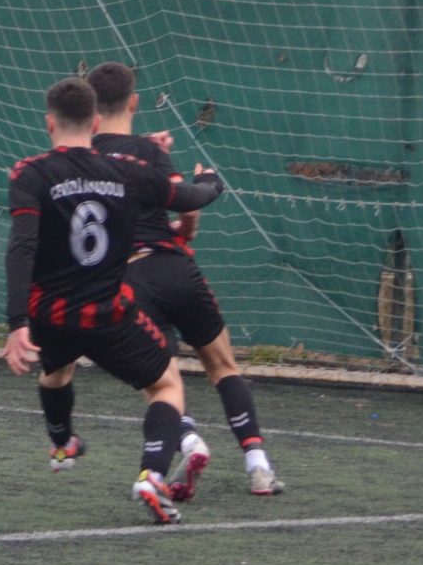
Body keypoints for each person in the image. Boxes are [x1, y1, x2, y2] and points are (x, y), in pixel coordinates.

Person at [5, 75, 225, 524]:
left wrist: (17, 323)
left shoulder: (30, 172)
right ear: (96, 123)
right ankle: (152, 475)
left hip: (50, 314)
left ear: (50, 123)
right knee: (167, 386)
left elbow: (22, 247)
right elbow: (193, 197)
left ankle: (62, 443)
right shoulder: (129, 172)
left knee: (55, 372)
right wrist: (211, 181)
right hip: (107, 313)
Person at [85, 62, 284, 499]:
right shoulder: (149, 152)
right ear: (134, 102)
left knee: (161, 382)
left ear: (89, 111)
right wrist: (205, 189)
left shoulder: (78, 162)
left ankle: (189, 439)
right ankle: (258, 467)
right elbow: (188, 209)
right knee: (222, 365)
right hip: (176, 268)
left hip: (128, 279)